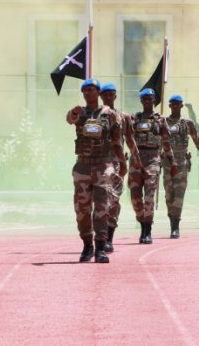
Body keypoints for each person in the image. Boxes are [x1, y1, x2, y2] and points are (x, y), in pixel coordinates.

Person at [66, 78, 127, 263]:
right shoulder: (79, 112)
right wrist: (72, 112)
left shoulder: (109, 114)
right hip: (83, 166)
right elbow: (69, 119)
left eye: (92, 90)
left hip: (103, 165)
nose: (88, 93)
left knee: (102, 208)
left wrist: (122, 164)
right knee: (82, 209)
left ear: (98, 93)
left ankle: (100, 247)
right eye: (85, 90)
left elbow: (117, 141)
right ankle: (87, 245)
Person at [129, 88, 177, 244]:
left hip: (153, 159)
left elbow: (166, 142)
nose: (148, 101)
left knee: (149, 196)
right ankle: (141, 221)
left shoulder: (160, 120)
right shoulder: (134, 118)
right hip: (136, 160)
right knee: (135, 197)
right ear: (141, 101)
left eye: (150, 99)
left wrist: (172, 161)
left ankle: (147, 230)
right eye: (145, 99)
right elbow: (126, 136)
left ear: (154, 101)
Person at [99, 82, 141, 253]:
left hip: (116, 163)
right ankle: (98, 237)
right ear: (101, 96)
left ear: (115, 96)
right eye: (105, 94)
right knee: (99, 201)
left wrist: (137, 160)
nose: (108, 97)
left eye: (111, 94)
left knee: (114, 200)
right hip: (98, 162)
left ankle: (109, 237)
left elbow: (130, 140)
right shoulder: (95, 116)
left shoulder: (124, 117)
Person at [163, 95, 199, 238]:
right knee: (169, 195)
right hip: (168, 162)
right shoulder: (164, 122)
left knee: (179, 194)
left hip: (182, 162)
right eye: (173, 104)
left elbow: (196, 139)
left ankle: (176, 226)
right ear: (170, 106)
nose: (175, 107)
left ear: (181, 106)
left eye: (178, 104)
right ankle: (171, 220)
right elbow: (159, 141)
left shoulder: (188, 123)